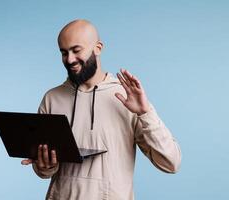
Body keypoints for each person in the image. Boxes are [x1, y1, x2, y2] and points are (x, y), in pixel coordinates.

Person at [21, 19, 181, 200]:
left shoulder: (126, 97)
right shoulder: (52, 98)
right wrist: (44, 166)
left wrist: (145, 113)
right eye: (64, 53)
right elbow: (44, 172)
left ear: (98, 47)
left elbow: (170, 163)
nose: (70, 59)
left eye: (76, 50)